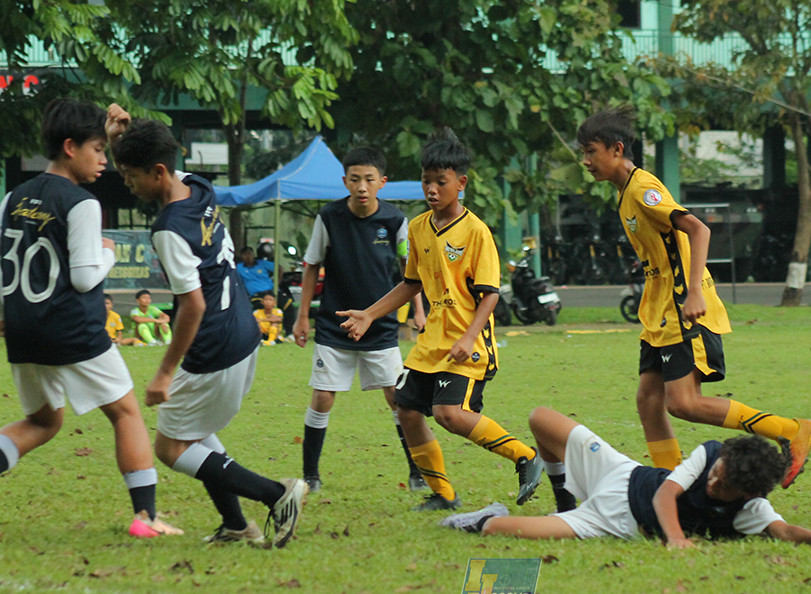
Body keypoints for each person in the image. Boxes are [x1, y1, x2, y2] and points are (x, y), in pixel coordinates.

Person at [576, 106, 811, 488]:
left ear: (617, 149)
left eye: (591, 151)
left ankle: (789, 429)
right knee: (648, 401)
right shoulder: (625, 193)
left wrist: (692, 294)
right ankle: (670, 484)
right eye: (584, 153)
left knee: (683, 403)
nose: (585, 161)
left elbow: (698, 229)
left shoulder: (643, 189)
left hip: (681, 309)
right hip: (658, 312)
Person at [109, 107, 307, 547]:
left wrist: (164, 373)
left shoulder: (168, 229)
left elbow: (192, 306)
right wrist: (121, 141)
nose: (126, 183)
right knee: (194, 436)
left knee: (171, 448)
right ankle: (235, 524)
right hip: (242, 331)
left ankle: (276, 495)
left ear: (157, 172)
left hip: (213, 344)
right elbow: (158, 160)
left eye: (130, 176)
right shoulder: (198, 186)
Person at [0, 98, 180, 538]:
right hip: (71, 328)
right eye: (98, 150)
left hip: (22, 327)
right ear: (70, 147)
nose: (104, 159)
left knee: (43, 422)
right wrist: (107, 253)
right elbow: (83, 278)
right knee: (126, 413)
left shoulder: (11, 198)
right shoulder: (81, 203)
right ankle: (146, 518)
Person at [337, 131, 543, 511]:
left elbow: (490, 294)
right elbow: (411, 283)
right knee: (406, 411)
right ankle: (444, 495)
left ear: (460, 183)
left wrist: (468, 337)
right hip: (432, 342)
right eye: (426, 181)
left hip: (468, 342)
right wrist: (369, 313)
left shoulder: (476, 231)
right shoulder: (418, 228)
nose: (431, 189)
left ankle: (526, 456)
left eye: (440, 182)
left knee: (449, 413)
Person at [440, 407, 811, 549]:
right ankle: (563, 502)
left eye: (724, 488)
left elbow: (782, 531)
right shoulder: (712, 453)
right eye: (718, 474)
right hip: (622, 473)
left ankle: (488, 515)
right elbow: (665, 495)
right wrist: (677, 539)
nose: (714, 483)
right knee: (540, 419)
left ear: (746, 495)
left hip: (614, 522)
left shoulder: (751, 507)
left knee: (495, 529)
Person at [292, 146, 426, 493]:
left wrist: (419, 310)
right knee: (323, 396)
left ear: (382, 182)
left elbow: (410, 269)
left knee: (397, 397)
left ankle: (417, 472)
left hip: (381, 326)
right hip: (333, 325)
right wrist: (302, 317)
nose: (362, 186)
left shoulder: (395, 221)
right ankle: (311, 475)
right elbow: (311, 265)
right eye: (355, 179)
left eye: (369, 179)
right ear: (345, 181)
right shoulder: (329, 217)